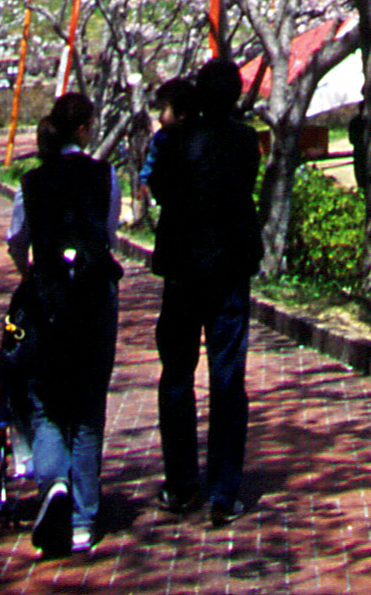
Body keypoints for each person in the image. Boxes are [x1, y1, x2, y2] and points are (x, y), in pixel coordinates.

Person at [7, 91, 121, 558]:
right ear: (82, 129)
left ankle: (53, 483)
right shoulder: (104, 174)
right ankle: (83, 519)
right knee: (89, 406)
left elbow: (17, 239)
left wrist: (29, 271)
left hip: (48, 299)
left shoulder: (31, 182)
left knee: (48, 402)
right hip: (95, 297)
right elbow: (110, 234)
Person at [148, 54, 261, 525]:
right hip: (229, 270)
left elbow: (159, 190)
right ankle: (223, 490)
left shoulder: (172, 142)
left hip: (182, 271)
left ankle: (180, 484)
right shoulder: (245, 141)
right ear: (235, 95)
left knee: (176, 374)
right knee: (227, 378)